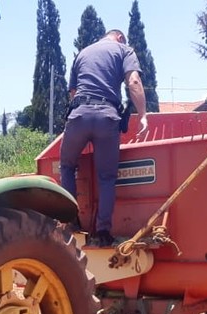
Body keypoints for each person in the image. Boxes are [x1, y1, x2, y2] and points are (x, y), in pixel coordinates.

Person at [59, 29, 149, 248]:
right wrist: (143, 116)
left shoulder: (82, 53)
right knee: (106, 177)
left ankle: (70, 222)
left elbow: (73, 93)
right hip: (107, 117)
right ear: (119, 38)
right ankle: (102, 233)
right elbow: (134, 82)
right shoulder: (124, 50)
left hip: (78, 115)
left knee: (67, 165)